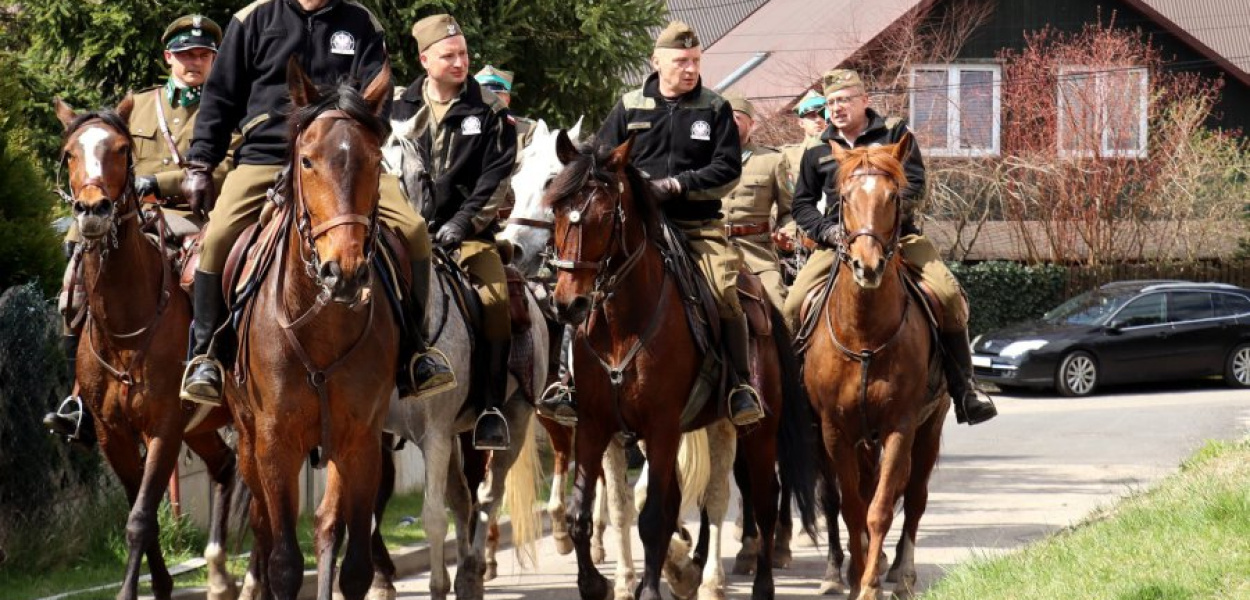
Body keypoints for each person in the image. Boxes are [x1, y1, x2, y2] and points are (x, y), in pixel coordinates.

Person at [178, 0, 452, 411]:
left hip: (343, 162)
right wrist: (201, 162)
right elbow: (220, 96)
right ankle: (205, 357)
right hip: (266, 155)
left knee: (413, 232)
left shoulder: (360, 21)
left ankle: (416, 350)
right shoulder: (252, 18)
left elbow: (376, 97)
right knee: (216, 238)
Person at [540, 21, 763, 428]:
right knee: (583, 290)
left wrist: (678, 184)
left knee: (728, 288)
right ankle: (569, 384)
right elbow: (600, 159)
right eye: (681, 61)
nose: (690, 69)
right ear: (656, 62)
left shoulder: (714, 108)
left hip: (696, 227)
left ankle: (739, 386)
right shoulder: (628, 106)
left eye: (695, 61)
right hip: (633, 228)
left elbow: (728, 169)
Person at [44, 14, 233, 443]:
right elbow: (109, 158)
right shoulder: (140, 105)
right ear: (169, 57)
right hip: (131, 214)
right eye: (186, 55)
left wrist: (162, 183)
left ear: (215, 60)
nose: (194, 63)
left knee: (205, 273)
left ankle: (218, 366)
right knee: (76, 277)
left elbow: (229, 168)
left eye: (203, 55)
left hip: (194, 216)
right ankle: (79, 398)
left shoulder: (226, 106)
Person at [785, 69, 997, 425]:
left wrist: (883, 214)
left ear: (864, 100)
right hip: (839, 243)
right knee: (792, 305)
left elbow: (916, 184)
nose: (836, 108)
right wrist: (829, 231)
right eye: (831, 103)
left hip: (899, 236)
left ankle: (965, 389)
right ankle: (797, 399)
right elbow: (802, 205)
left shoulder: (895, 133)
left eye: (844, 100)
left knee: (946, 295)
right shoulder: (817, 148)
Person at [391, 14, 518, 451]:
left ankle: (489, 408)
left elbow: (495, 179)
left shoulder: (490, 112)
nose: (460, 62)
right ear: (425, 59)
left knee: (496, 300)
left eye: (463, 53)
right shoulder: (396, 107)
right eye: (449, 55)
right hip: (402, 235)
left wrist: (461, 223)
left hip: (467, 237)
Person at [720, 92, 793, 311]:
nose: (730, 123)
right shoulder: (702, 160)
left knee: (780, 306)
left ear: (752, 124)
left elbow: (789, 210)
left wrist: (788, 231)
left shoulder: (772, 160)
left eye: (737, 118)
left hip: (756, 252)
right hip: (713, 248)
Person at [475, 64, 534, 216]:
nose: (489, 103)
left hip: (513, 218)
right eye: (483, 97)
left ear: (506, 99)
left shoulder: (527, 130)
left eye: (495, 96)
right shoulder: (465, 130)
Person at [781, 89, 827, 193]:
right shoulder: (788, 156)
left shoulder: (843, 150)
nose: (819, 120)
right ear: (801, 123)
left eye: (822, 114)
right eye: (812, 116)